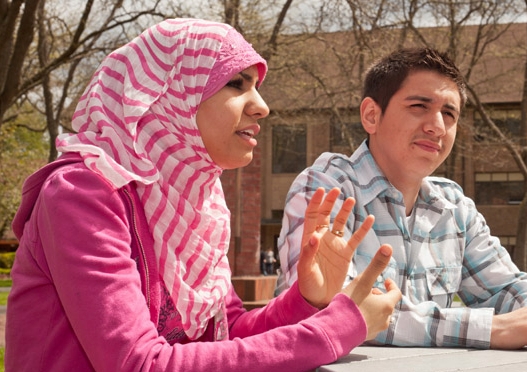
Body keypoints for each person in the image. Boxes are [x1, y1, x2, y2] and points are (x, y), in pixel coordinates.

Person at [5, 18, 402, 372]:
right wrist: (332, 331)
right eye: (236, 83)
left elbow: (227, 334)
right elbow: (139, 363)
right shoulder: (82, 194)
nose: (262, 107)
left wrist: (307, 301)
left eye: (257, 87)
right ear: (167, 94)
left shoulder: (199, 207)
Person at [275, 47, 527, 351]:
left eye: (449, 114)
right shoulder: (326, 188)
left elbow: (504, 288)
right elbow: (338, 312)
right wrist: (490, 330)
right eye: (419, 107)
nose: (437, 126)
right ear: (371, 115)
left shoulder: (454, 207)